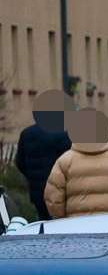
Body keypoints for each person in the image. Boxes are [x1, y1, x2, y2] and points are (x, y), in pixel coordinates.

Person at [12, 89, 71, 219]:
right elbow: (70, 163)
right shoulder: (64, 134)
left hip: (37, 191)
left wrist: (32, 177)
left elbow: (20, 163)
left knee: (43, 224)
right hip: (61, 191)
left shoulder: (27, 133)